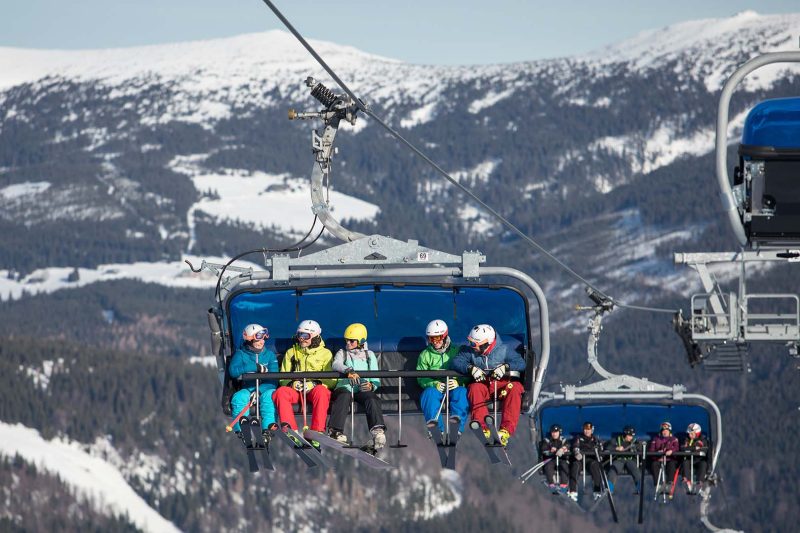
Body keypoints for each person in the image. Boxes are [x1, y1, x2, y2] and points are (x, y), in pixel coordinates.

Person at [451, 324, 526, 446]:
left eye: (475, 344)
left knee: (516, 387)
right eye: (471, 343)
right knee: (474, 388)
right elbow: (457, 362)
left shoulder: (503, 350)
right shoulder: (470, 352)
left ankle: (505, 431)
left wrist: (505, 367)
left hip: (502, 387)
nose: (472, 346)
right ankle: (482, 426)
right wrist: (470, 368)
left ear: (487, 343)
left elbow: (520, 363)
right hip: (484, 387)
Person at [273, 320, 335, 445]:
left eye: (305, 336)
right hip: (297, 391)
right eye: (299, 335)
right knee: (281, 392)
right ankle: (290, 430)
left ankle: (317, 433)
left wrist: (315, 384)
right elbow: (283, 377)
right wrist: (291, 384)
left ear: (315, 336)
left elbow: (331, 380)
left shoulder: (325, 354)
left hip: (314, 391)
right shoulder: (292, 352)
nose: (302, 339)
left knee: (322, 392)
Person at [328, 323, 387, 454]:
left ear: (360, 341)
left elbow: (376, 378)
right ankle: (335, 431)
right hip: (346, 387)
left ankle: (377, 431)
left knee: (372, 398)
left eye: (352, 341)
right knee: (344, 396)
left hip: (361, 389)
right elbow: (336, 364)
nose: (348, 343)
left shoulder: (369, 355)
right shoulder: (342, 353)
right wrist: (348, 370)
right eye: (346, 340)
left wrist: (372, 386)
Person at [229, 324, 279, 444]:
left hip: (266, 389)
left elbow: (274, 378)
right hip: (248, 388)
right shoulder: (241, 354)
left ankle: (267, 429)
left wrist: (259, 391)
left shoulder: (270, 356)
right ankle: (241, 429)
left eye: (263, 338)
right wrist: (253, 367)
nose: (261, 341)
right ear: (250, 340)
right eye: (257, 339)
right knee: (239, 398)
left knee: (269, 398)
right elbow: (233, 371)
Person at [416, 319, 468, 435]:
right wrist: (434, 384)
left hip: (453, 386)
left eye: (437, 338)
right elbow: (421, 377)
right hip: (437, 388)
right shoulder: (425, 355)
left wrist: (459, 382)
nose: (434, 342)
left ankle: (456, 428)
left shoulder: (457, 351)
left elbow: (466, 372)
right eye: (431, 338)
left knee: (461, 392)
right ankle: (437, 429)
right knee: (428, 394)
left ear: (444, 336)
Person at [568, 422, 605, 502]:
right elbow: (575, 445)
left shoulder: (595, 439)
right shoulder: (579, 437)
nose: (586, 431)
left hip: (590, 460)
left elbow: (600, 449)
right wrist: (576, 452)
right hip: (580, 459)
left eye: (588, 429)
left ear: (592, 430)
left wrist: (600, 455)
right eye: (585, 429)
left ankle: (597, 491)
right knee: (575, 466)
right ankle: (573, 491)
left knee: (595, 466)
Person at [606, 425, 642, 494]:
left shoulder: (634, 441)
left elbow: (640, 449)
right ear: (625, 434)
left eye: (632, 436)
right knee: (613, 470)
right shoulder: (617, 439)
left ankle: (639, 488)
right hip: (619, 459)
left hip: (630, 460)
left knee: (636, 471)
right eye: (630, 435)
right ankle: (609, 488)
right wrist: (616, 448)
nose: (631, 437)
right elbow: (608, 447)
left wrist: (635, 449)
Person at [648, 421, 680, 496]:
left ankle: (669, 483)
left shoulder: (674, 439)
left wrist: (671, 451)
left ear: (669, 431)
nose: (664, 432)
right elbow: (651, 450)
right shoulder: (655, 439)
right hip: (658, 459)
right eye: (663, 431)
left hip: (670, 459)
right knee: (654, 464)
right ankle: (658, 485)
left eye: (666, 430)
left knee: (672, 465)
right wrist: (657, 454)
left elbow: (677, 448)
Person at [680, 422, 710, 494]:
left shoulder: (703, 440)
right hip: (689, 459)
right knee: (685, 462)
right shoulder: (686, 440)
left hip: (699, 460)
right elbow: (683, 448)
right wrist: (694, 448)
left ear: (697, 433)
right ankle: (687, 480)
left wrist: (691, 449)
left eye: (692, 434)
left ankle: (699, 481)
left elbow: (704, 449)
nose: (690, 435)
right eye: (689, 433)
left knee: (703, 464)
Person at [540, 424, 570, 491]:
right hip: (551, 459)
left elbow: (568, 445)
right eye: (553, 432)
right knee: (548, 466)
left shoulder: (563, 440)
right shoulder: (547, 440)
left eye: (556, 432)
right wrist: (550, 450)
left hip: (561, 459)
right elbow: (543, 449)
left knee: (564, 465)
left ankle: (564, 484)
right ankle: (551, 483)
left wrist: (563, 449)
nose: (554, 434)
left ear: (559, 432)